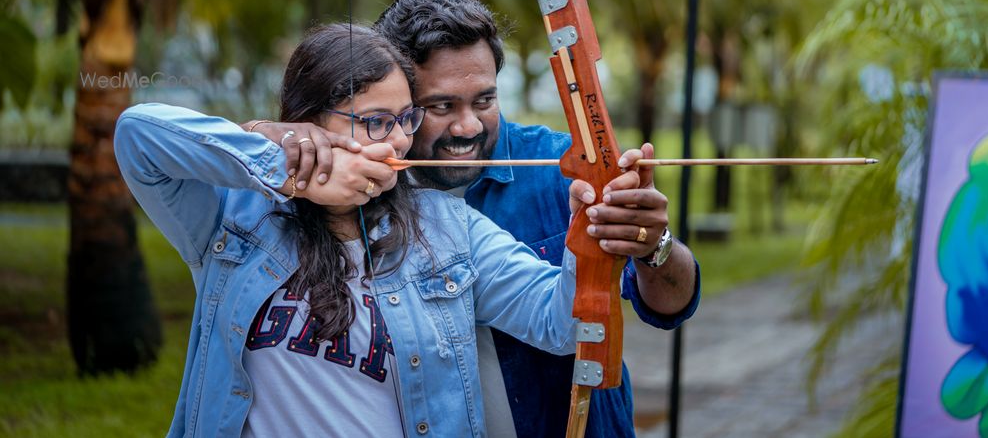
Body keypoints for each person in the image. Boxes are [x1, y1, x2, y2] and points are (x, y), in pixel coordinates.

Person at [114, 23, 638, 437]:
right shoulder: (235, 217)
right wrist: (283, 165)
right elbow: (138, 136)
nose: (396, 144)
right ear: (309, 121)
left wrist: (591, 232)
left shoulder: (448, 230)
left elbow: (564, 323)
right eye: (373, 122)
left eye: (405, 118)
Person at [268, 0, 700, 437]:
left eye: (484, 101)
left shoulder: (562, 167)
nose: (468, 127)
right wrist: (262, 134)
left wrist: (654, 246)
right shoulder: (358, 194)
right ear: (397, 100)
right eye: (441, 106)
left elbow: (663, 307)